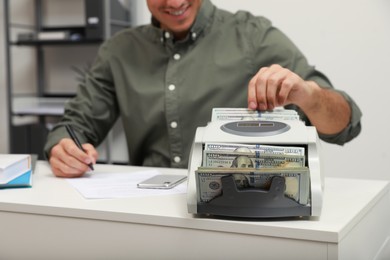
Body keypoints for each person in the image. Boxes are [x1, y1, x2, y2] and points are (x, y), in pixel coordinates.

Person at [44, 0, 362, 178]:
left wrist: (309, 96)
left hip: (236, 206)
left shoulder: (252, 35)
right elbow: (74, 126)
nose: (174, 2)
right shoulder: (119, 51)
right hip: (146, 212)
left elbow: (345, 126)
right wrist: (63, 149)